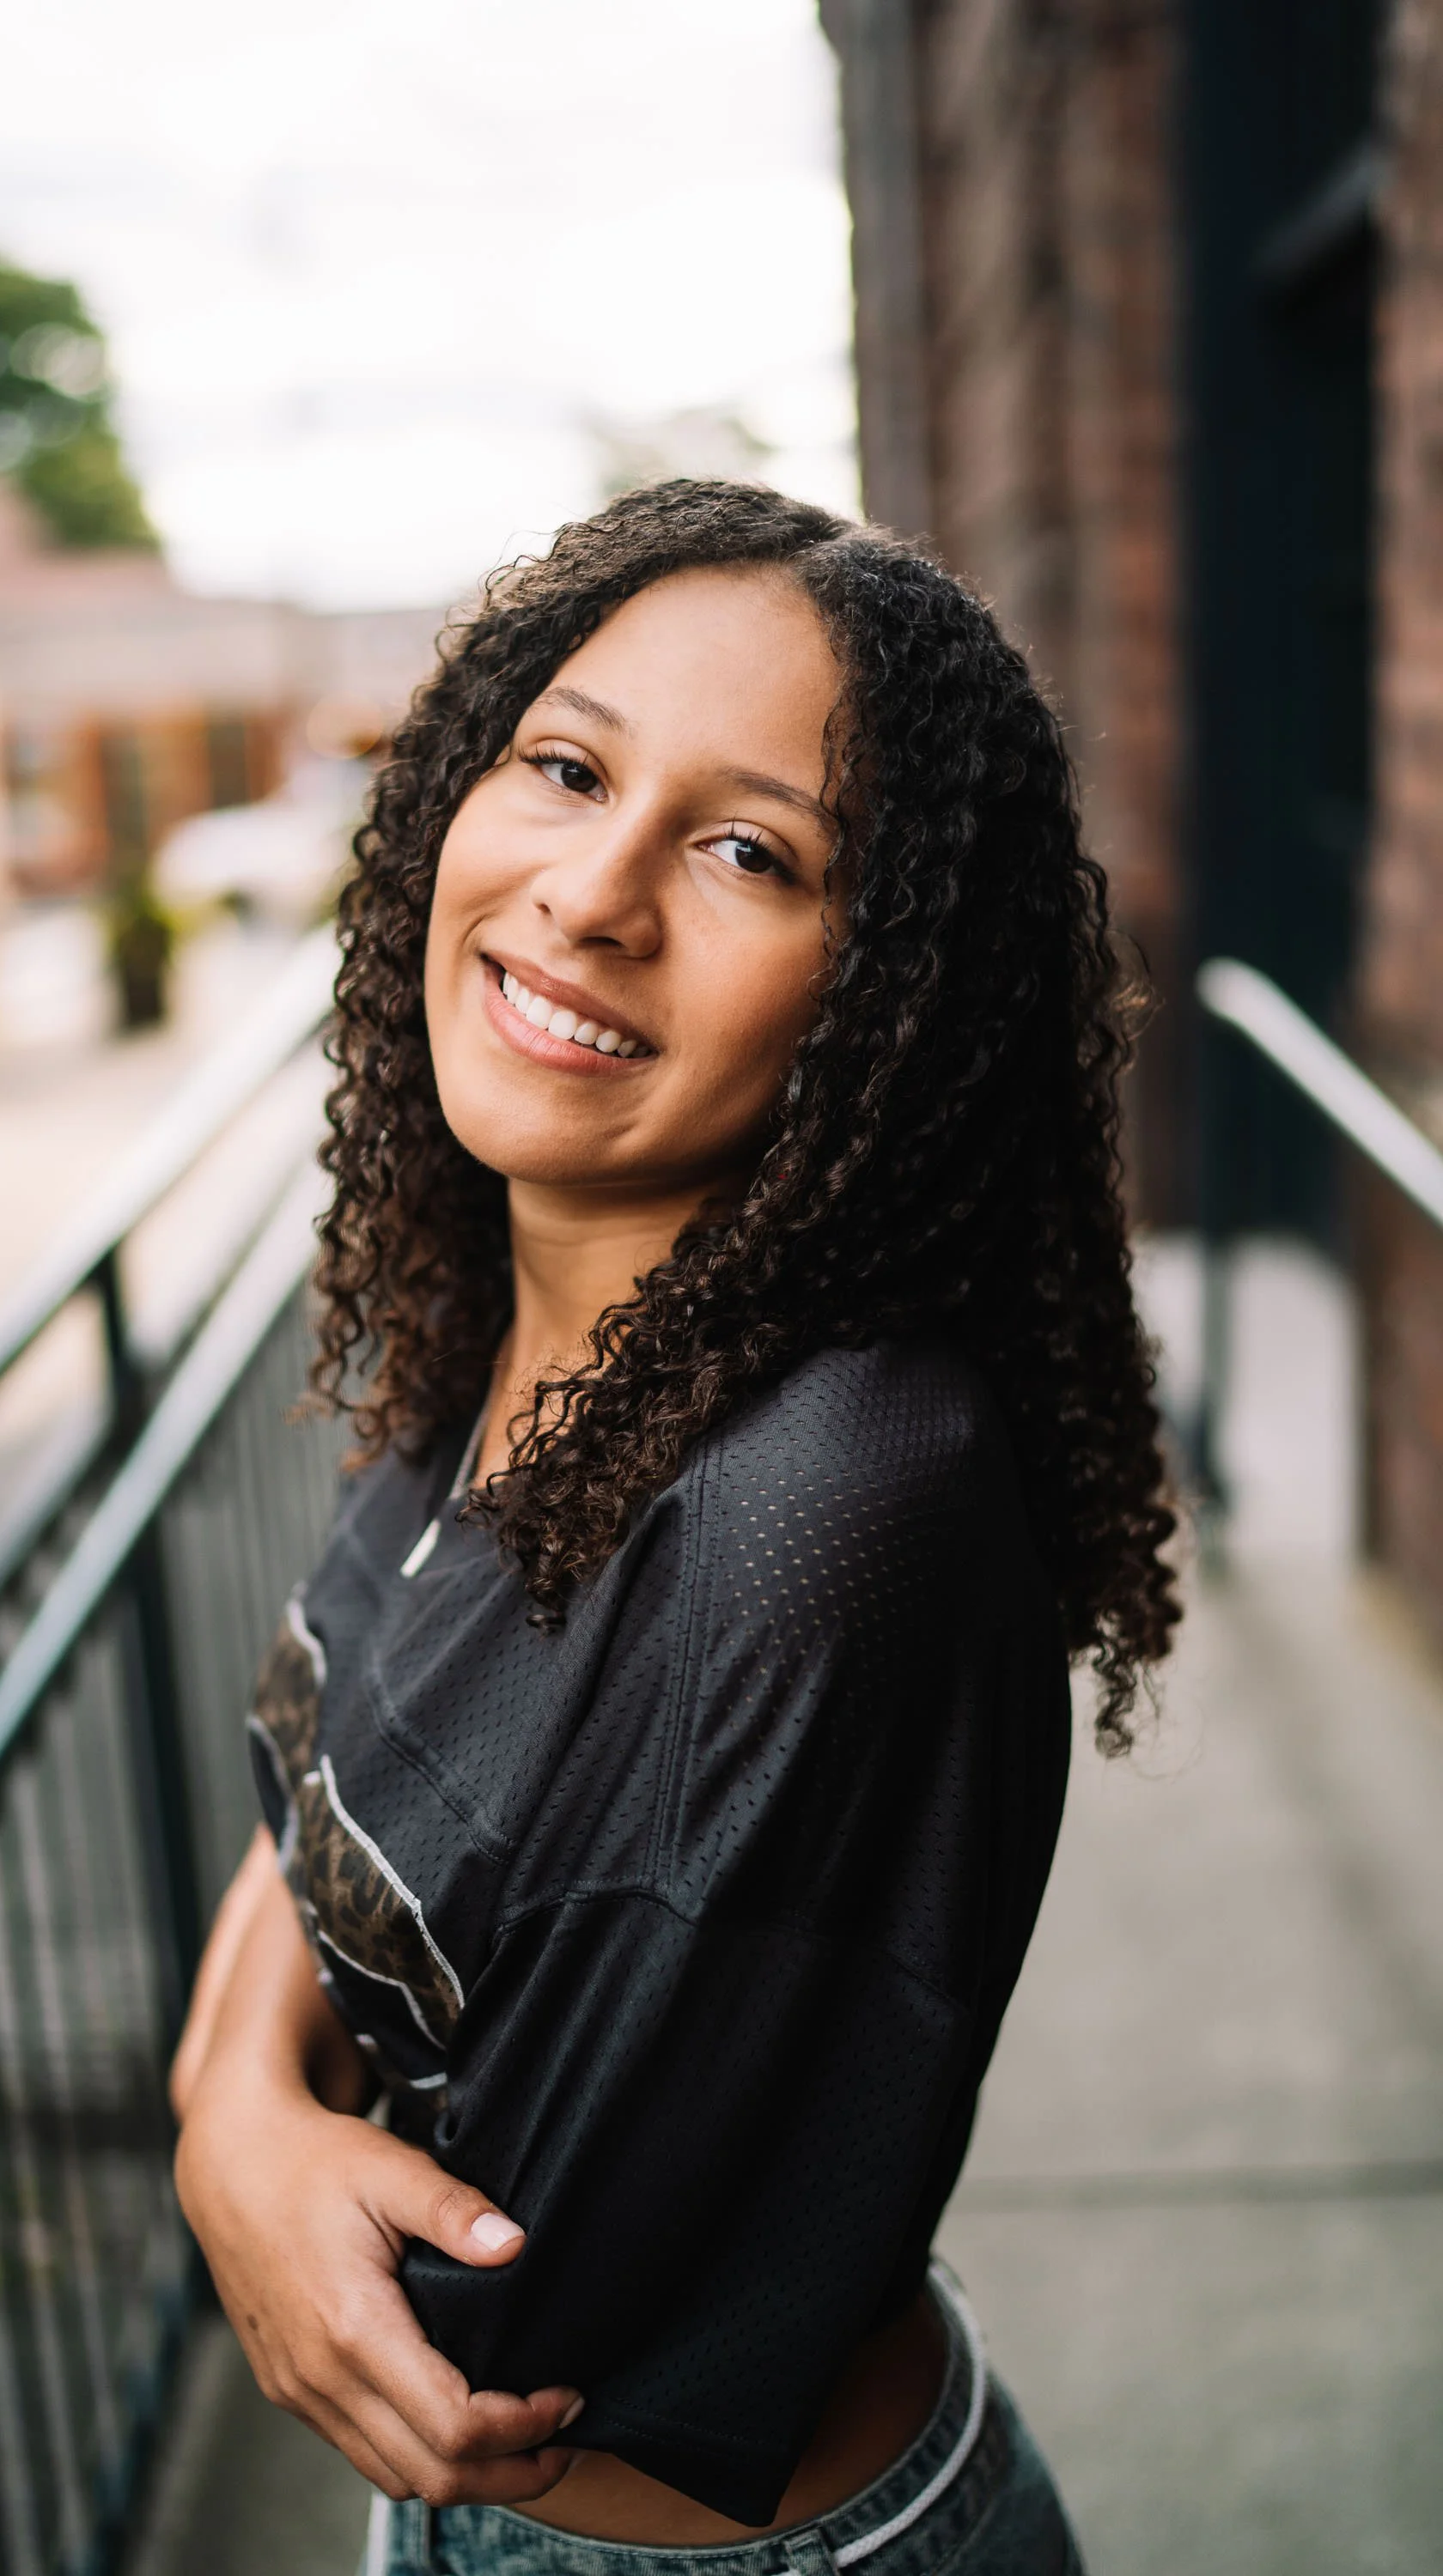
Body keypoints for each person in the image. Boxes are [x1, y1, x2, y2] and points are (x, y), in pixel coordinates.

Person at [169, 481, 1178, 2575]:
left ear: (884, 1000)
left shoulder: (818, 1513)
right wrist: (234, 2115)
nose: (590, 892)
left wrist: (252, 2134)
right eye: (561, 766)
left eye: (748, 849)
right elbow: (330, 1789)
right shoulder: (538, 1316)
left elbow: (480, 2325)